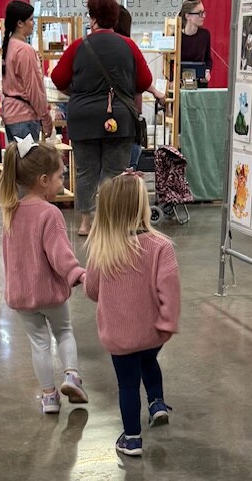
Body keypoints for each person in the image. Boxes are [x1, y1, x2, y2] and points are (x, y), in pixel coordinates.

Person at [84, 170, 181, 457]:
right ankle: (157, 403)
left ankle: (132, 439)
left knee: (127, 385)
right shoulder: (161, 247)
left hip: (119, 335)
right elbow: (170, 291)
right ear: (142, 208)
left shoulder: (102, 248)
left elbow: (92, 290)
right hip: (152, 332)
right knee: (149, 362)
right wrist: (167, 323)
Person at [0, 136, 88, 414]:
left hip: (21, 295)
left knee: (39, 344)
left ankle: (49, 397)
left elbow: (9, 256)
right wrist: (77, 274)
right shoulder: (50, 214)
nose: (63, 181)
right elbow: (60, 255)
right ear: (44, 180)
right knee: (64, 331)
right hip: (49, 292)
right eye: (60, 176)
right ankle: (71, 376)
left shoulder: (10, 211)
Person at [51, 0, 153, 236]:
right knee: (114, 171)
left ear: (93, 17)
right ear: (115, 18)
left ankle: (86, 223)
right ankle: (109, 222)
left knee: (85, 171)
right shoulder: (128, 46)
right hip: (118, 117)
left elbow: (58, 78)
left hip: (83, 118)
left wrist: (77, 92)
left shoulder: (79, 45)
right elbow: (144, 81)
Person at [114, 5, 165, 169]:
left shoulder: (100, 46)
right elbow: (143, 79)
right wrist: (155, 91)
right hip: (129, 113)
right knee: (129, 166)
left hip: (107, 115)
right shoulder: (129, 47)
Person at [1, 0, 53, 143]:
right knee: (28, 157)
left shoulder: (9, 46)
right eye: (30, 20)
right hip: (24, 115)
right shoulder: (24, 50)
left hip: (10, 113)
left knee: (16, 156)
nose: (33, 23)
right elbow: (33, 88)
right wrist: (45, 117)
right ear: (20, 23)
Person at [179, 0, 212, 86]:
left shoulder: (205, 35)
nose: (203, 16)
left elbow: (208, 59)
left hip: (200, 85)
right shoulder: (176, 36)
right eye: (200, 13)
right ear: (188, 16)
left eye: (204, 13)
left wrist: (207, 71)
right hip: (180, 86)